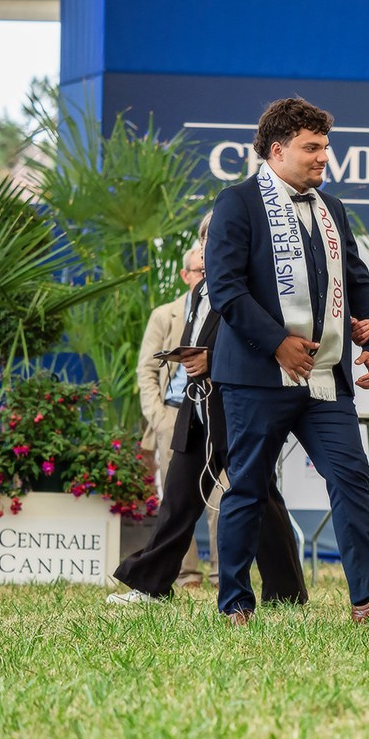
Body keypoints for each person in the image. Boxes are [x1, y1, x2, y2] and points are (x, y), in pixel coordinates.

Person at [205, 97, 369, 626]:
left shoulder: (330, 209)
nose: (322, 157)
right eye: (311, 148)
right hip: (258, 376)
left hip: (326, 377)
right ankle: (236, 602)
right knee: (248, 486)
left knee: (351, 476)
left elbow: (358, 282)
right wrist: (276, 342)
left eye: (325, 147)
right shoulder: (236, 203)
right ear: (277, 150)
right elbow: (227, 290)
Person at [108, 212, 307, 607]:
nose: (213, 248)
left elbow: (266, 346)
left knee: (262, 498)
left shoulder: (255, 289)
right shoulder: (199, 292)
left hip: (238, 407)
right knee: (179, 501)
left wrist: (211, 361)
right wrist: (189, 358)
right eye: (209, 240)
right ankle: (151, 585)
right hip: (194, 409)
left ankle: (285, 591)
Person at [135, 243, 209, 588]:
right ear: (185, 275)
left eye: (209, 272)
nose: (204, 278)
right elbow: (146, 372)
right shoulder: (165, 314)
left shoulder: (224, 309)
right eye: (199, 272)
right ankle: (186, 574)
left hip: (213, 412)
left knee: (222, 498)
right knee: (177, 498)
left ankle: (224, 575)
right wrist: (158, 416)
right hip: (173, 414)